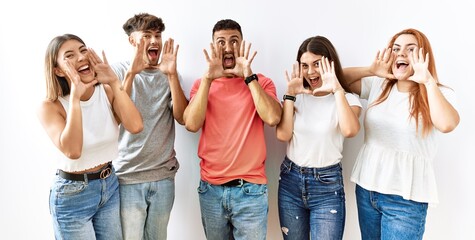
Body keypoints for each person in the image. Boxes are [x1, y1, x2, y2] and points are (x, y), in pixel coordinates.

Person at [343, 28, 460, 240]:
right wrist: (371, 70)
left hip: (406, 199)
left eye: (410, 49)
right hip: (367, 190)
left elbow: (447, 124)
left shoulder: (438, 92)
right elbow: (337, 79)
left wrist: (427, 81)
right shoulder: (379, 85)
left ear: (423, 56)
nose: (401, 53)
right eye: (396, 49)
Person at [183, 19, 282, 240]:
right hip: (211, 190)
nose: (227, 48)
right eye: (221, 42)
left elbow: (274, 117)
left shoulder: (261, 82)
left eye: (233, 41)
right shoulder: (202, 84)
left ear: (242, 44)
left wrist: (248, 77)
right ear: (212, 46)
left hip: (251, 191)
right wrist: (209, 78)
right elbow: (191, 124)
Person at [38, 33, 143, 240]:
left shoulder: (106, 91)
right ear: (58, 70)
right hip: (72, 195)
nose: (80, 57)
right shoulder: (50, 106)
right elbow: (73, 150)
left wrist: (113, 81)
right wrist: (75, 98)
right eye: (70, 55)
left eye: (83, 50)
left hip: (109, 185)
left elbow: (136, 125)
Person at [110, 13, 188, 240]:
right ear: (132, 41)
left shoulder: (170, 74)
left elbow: (182, 118)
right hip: (128, 177)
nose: (154, 41)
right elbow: (116, 117)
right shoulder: (117, 72)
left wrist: (172, 75)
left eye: (157, 35)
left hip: (163, 177)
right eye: (146, 35)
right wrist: (132, 73)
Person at [276, 36, 362, 240]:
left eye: (317, 64)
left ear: (330, 64)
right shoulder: (296, 96)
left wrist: (337, 89)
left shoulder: (347, 98)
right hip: (291, 181)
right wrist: (289, 95)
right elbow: (283, 134)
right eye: (304, 65)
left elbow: (350, 130)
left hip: (327, 185)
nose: (311, 71)